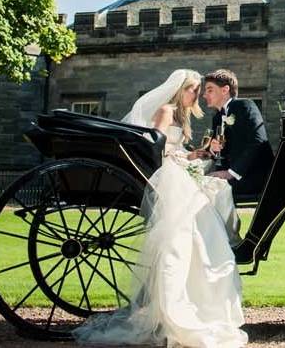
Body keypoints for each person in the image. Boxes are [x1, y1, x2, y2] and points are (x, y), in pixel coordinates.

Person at [74, 69, 247, 348]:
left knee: (209, 210)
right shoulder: (166, 110)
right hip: (167, 177)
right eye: (193, 89)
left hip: (178, 170)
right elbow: (154, 151)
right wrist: (183, 160)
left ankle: (200, 299)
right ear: (180, 90)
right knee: (188, 231)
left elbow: (174, 149)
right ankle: (174, 308)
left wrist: (194, 155)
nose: (198, 95)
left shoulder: (182, 116)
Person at [203, 69, 274, 200]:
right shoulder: (217, 117)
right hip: (231, 174)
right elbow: (217, 153)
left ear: (225, 90)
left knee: (204, 187)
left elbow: (258, 141)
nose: (204, 95)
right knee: (200, 184)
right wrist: (213, 149)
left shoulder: (245, 105)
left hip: (253, 176)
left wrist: (231, 173)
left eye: (209, 90)